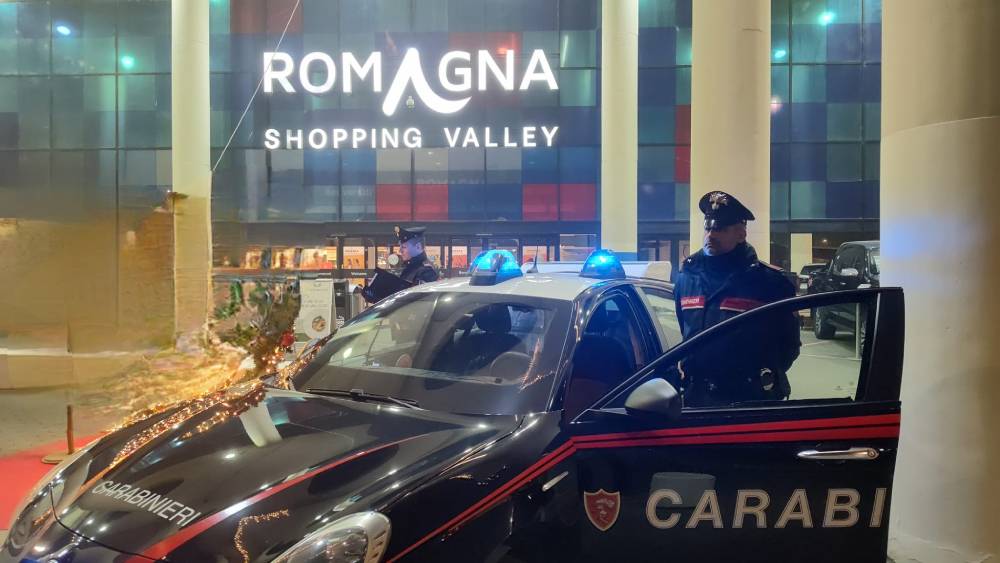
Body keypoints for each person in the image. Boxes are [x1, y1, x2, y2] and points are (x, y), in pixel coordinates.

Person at [673, 190, 800, 406]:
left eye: (720, 229)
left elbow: (788, 346)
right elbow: (685, 328)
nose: (711, 235)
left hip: (749, 399)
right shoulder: (687, 277)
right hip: (698, 398)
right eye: (708, 228)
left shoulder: (770, 282)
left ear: (741, 234)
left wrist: (754, 376)